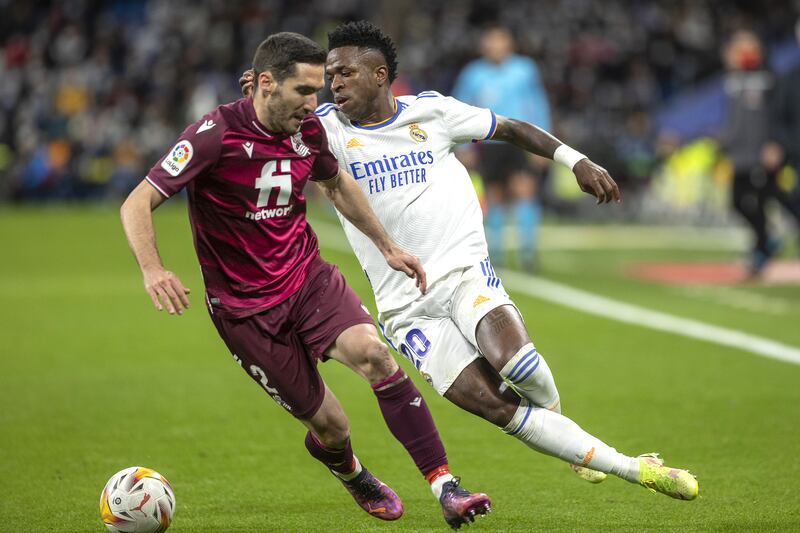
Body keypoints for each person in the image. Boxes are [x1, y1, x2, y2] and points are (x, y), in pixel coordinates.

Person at [239, 21, 699, 516]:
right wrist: (256, 97)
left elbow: (512, 128)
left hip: (464, 276)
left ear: (380, 74)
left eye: (345, 73)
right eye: (330, 75)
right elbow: (267, 119)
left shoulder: (432, 112)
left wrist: (575, 160)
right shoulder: (322, 128)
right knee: (500, 408)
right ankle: (633, 467)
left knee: (520, 365)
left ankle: (567, 430)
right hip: (408, 311)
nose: (334, 84)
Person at [120, 32, 491, 528]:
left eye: (318, 90)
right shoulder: (213, 135)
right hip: (246, 312)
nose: (314, 103)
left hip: (306, 277)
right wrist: (153, 268)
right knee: (332, 427)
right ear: (266, 84)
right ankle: (351, 470)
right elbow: (137, 201)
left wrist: (387, 246)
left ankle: (445, 486)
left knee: (375, 354)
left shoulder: (308, 131)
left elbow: (336, 183)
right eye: (303, 91)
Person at [452, 24, 552, 271]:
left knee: (525, 191)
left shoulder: (524, 69)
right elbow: (459, 109)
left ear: (509, 44)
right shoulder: (473, 74)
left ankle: (527, 253)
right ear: (484, 46)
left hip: (519, 140)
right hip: (489, 142)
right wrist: (462, 145)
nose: (496, 46)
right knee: (494, 196)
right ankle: (495, 253)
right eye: (491, 41)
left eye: (500, 41)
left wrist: (543, 143)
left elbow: (538, 105)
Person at [721, 29, 800, 275]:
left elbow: (774, 116)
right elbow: (734, 120)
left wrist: (774, 144)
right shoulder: (733, 81)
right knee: (742, 201)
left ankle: (763, 248)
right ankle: (765, 243)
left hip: (760, 154)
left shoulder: (767, 79)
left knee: (769, 198)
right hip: (740, 155)